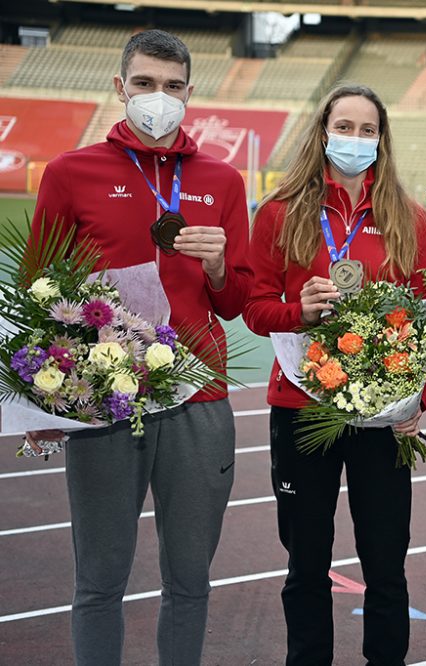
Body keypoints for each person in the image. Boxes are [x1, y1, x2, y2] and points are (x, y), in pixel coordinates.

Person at [27, 29, 252, 664]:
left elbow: (237, 301)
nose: (159, 97)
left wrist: (215, 270)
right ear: (120, 88)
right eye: (146, 84)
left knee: (190, 580)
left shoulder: (221, 181)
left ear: (190, 93)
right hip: (106, 403)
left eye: (173, 86)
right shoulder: (72, 173)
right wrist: (43, 402)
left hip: (198, 396)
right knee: (99, 581)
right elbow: (37, 290)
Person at [243, 84, 426, 666]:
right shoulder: (279, 212)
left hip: (383, 416)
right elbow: (254, 309)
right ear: (323, 131)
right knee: (305, 564)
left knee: (386, 563)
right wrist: (297, 311)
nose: (355, 139)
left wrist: (414, 402)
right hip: (303, 411)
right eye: (344, 127)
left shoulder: (408, 217)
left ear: (383, 139)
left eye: (367, 129)